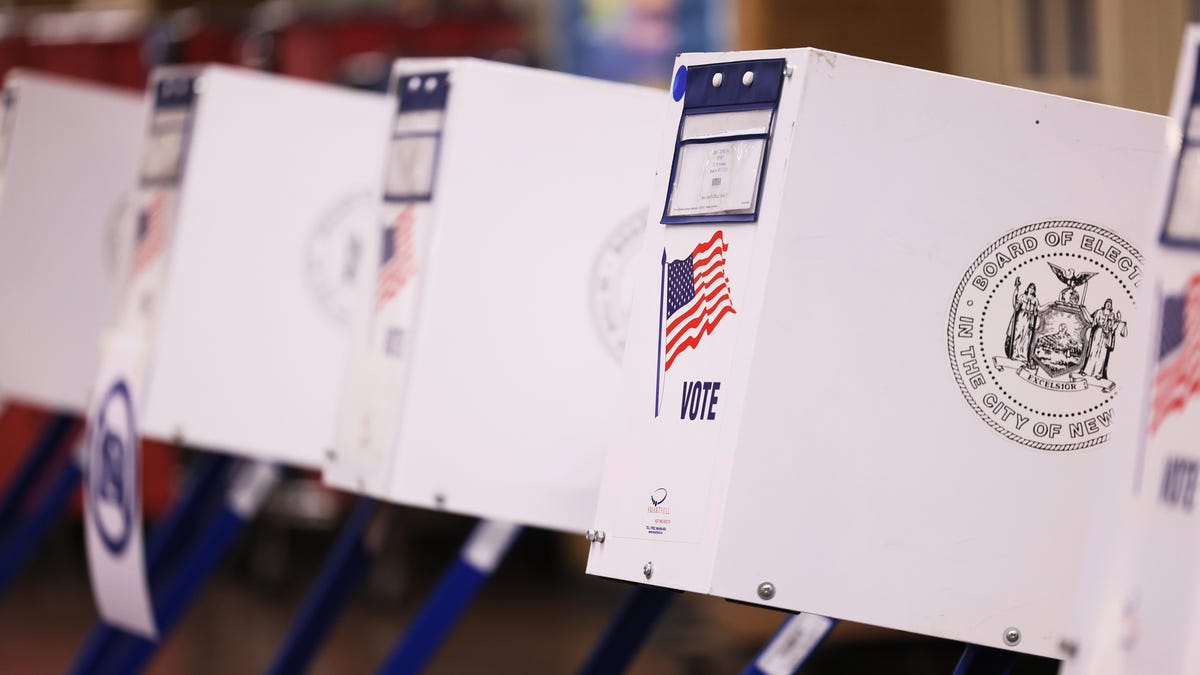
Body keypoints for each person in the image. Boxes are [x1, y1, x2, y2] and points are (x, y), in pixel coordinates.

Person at [1081, 298, 1121, 379]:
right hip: (1098, 333)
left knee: (1102, 354)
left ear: (1111, 306)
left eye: (1110, 304)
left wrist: (1117, 321)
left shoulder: (1112, 315)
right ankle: (1087, 371)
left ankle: (1098, 373)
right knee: (1093, 351)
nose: (1108, 305)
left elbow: (1112, 327)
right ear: (1105, 304)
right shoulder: (1099, 312)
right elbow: (1093, 321)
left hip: (1106, 336)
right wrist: (1084, 310)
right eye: (1107, 303)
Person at [1005, 277, 1039, 367]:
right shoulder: (1022, 296)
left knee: (1026, 338)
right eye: (1030, 288)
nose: (1031, 290)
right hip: (1021, 318)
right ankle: (1015, 354)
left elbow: (1037, 311)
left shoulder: (1035, 300)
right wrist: (1016, 291)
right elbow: (1016, 306)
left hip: (1029, 320)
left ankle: (1023, 356)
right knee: (1018, 335)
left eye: (1033, 288)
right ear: (1027, 288)